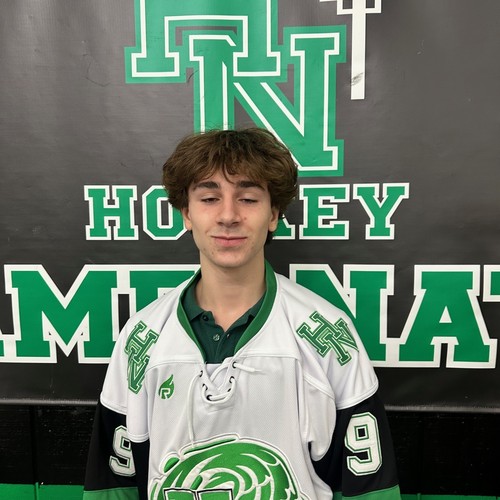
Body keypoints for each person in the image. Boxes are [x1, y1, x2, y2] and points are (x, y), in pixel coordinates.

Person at [83, 128, 401, 500]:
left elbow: (370, 487)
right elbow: (114, 484)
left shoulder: (327, 333)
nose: (229, 216)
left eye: (248, 198)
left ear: (274, 214)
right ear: (186, 213)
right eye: (209, 198)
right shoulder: (142, 337)